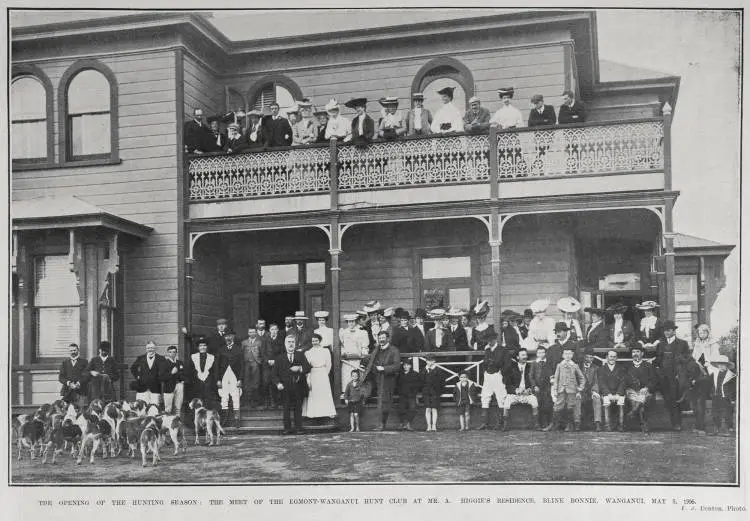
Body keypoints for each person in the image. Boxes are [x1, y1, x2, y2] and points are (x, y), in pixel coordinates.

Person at [654, 320, 690, 431]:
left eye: (669, 330)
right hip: (664, 376)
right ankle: (672, 423)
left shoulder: (682, 344)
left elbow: (687, 359)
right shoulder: (661, 344)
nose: (666, 332)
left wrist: (680, 371)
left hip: (676, 376)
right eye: (665, 330)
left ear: (674, 331)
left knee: (676, 399)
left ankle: (677, 423)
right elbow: (658, 359)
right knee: (668, 399)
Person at [362, 331, 402, 431]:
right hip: (377, 378)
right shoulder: (376, 350)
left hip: (388, 378)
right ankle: (379, 424)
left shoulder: (394, 350)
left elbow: (397, 366)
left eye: (383, 338)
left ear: (388, 338)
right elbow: (372, 362)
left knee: (384, 401)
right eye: (380, 338)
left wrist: (384, 368)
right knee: (374, 397)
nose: (381, 340)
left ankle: (382, 424)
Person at [272, 335, 312, 435]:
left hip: (298, 386)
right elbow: (273, 374)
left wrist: (299, 368)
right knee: (286, 408)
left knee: (298, 408)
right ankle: (287, 429)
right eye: (288, 342)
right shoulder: (279, 358)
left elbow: (308, 367)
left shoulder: (300, 355)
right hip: (285, 387)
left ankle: (299, 428)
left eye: (292, 342)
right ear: (285, 344)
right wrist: (278, 384)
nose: (290, 344)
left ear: (295, 344)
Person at [545, 346, 585, 432]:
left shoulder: (575, 366)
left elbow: (582, 378)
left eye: (569, 354)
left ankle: (569, 425)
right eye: (566, 354)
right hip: (561, 389)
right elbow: (556, 379)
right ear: (563, 355)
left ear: (572, 355)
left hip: (571, 390)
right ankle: (553, 424)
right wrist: (555, 390)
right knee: (557, 406)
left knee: (570, 407)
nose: (567, 356)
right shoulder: (559, 365)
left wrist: (580, 388)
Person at [302, 334, 337, 421]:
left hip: (323, 373)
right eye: (313, 341)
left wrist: (325, 373)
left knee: (324, 392)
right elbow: (307, 366)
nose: (314, 343)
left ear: (319, 341)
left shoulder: (325, 351)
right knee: (314, 393)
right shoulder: (308, 352)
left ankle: (327, 412)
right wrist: (308, 377)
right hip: (313, 372)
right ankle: (313, 413)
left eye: (316, 341)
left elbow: (329, 364)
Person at [476, 329, 507, 430]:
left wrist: (501, 373)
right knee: (485, 397)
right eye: (488, 340)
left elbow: (505, 364)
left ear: (495, 339)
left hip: (497, 375)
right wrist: (486, 369)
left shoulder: (502, 349)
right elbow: (485, 363)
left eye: (491, 339)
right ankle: (485, 423)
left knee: (501, 398)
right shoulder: (487, 350)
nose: (489, 342)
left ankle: (500, 423)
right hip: (488, 375)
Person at [502, 348, 538, 430]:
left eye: (526, 355)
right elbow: (507, 385)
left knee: (534, 401)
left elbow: (534, 381)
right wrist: (515, 390)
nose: (525, 357)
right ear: (517, 357)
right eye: (522, 355)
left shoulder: (530, 368)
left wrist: (529, 389)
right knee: (507, 401)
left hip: (526, 394)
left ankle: (536, 424)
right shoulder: (511, 368)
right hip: (515, 394)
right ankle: (505, 424)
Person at [624, 344, 657, 433]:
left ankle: (633, 413)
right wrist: (629, 389)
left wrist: (647, 387)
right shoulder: (626, 366)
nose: (635, 354)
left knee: (643, 398)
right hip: (631, 391)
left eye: (638, 352)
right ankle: (644, 425)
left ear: (642, 354)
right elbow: (623, 381)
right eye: (633, 352)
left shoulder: (648, 366)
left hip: (644, 391)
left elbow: (654, 380)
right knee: (639, 400)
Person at [339, 313, 370, 394]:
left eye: (352, 321)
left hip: (358, 360)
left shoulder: (362, 333)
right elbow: (341, 345)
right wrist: (343, 353)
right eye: (349, 322)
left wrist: (363, 357)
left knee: (358, 380)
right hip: (347, 361)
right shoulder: (343, 332)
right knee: (347, 379)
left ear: (355, 321)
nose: (351, 323)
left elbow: (365, 347)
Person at [706, 355, 736, 436]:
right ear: (717, 365)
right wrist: (711, 392)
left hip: (726, 397)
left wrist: (733, 398)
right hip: (716, 396)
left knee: (726, 413)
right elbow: (710, 384)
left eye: (723, 364)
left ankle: (725, 429)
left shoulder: (731, 376)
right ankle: (716, 429)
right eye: (719, 364)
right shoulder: (714, 374)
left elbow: (734, 388)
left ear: (727, 365)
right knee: (715, 413)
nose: (721, 366)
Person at [130, 340, 165, 407]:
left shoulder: (161, 359)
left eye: (152, 348)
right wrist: (138, 376)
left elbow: (164, 371)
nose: (150, 350)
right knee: (141, 407)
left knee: (154, 407)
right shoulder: (140, 358)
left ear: (155, 348)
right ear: (146, 349)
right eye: (148, 348)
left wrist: (159, 379)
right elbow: (133, 368)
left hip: (155, 388)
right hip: (142, 388)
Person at [598, 349, 627, 432]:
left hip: (618, 392)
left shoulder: (621, 369)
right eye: (611, 356)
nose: (612, 358)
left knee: (621, 403)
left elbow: (623, 382)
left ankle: (621, 425)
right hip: (607, 392)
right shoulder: (601, 369)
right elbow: (601, 383)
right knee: (606, 402)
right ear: (607, 357)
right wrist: (608, 393)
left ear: (616, 358)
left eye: (614, 357)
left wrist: (618, 393)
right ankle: (607, 425)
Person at [187, 337, 219, 410]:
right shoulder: (193, 357)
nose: (203, 347)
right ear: (198, 347)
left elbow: (214, 371)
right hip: (196, 382)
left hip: (208, 382)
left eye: (204, 345)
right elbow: (190, 370)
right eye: (201, 346)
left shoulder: (212, 357)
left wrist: (209, 380)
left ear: (207, 347)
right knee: (197, 401)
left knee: (208, 400)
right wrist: (195, 379)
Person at [579, 347, 603, 431]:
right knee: (576, 398)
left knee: (597, 399)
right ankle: (576, 423)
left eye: (591, 357)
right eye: (587, 357)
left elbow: (596, 382)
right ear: (584, 357)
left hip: (590, 391)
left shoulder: (596, 368)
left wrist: (594, 391)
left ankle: (597, 423)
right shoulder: (578, 367)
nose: (589, 359)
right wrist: (578, 391)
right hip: (580, 391)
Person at [531, 345, 555, 430]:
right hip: (538, 387)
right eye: (539, 352)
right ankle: (539, 424)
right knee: (538, 404)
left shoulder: (548, 363)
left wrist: (551, 382)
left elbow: (551, 374)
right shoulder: (534, 363)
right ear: (537, 354)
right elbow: (531, 376)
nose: (541, 354)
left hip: (547, 387)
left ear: (545, 353)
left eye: (543, 352)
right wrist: (534, 386)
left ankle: (548, 423)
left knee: (547, 404)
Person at [263, 323, 285, 409]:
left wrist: (276, 361)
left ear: (278, 330)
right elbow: (263, 353)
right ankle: (267, 402)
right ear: (269, 331)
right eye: (272, 329)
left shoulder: (281, 340)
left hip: (277, 365)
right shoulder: (265, 340)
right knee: (266, 383)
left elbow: (283, 353)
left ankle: (276, 402)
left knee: (276, 383)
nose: (274, 331)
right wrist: (267, 361)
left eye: (275, 329)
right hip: (267, 365)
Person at [396, 358, 422, 431]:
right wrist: (399, 391)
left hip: (411, 395)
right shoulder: (400, 374)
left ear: (410, 366)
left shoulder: (415, 374)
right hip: (402, 395)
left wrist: (414, 392)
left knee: (412, 408)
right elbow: (397, 384)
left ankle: (408, 423)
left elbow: (418, 384)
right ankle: (401, 424)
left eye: (407, 365)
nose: (405, 367)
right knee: (401, 409)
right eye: (404, 365)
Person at [242, 328, 263, 408]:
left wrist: (259, 361)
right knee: (247, 382)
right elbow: (242, 352)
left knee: (255, 382)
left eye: (253, 332)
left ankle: (255, 401)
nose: (252, 333)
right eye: (250, 332)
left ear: (256, 332)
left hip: (255, 363)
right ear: (248, 333)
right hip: (246, 363)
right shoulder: (244, 342)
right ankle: (247, 401)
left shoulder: (259, 342)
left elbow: (262, 353)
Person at [421, 355, 443, 431]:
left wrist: (439, 392)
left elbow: (442, 382)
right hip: (426, 392)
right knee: (427, 409)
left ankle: (434, 425)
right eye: (427, 360)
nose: (429, 362)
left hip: (435, 392)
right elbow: (421, 381)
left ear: (434, 361)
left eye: (431, 360)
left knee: (434, 409)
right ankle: (428, 426)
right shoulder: (424, 370)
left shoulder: (438, 370)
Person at [162, 345, 185, 416]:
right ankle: (167, 424)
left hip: (179, 386)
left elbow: (184, 373)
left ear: (176, 353)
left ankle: (177, 423)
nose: (172, 354)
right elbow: (161, 377)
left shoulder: (180, 363)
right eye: (170, 352)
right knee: (168, 408)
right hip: (168, 387)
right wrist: (171, 373)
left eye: (174, 352)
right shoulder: (164, 364)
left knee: (178, 407)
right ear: (167, 353)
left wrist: (182, 380)